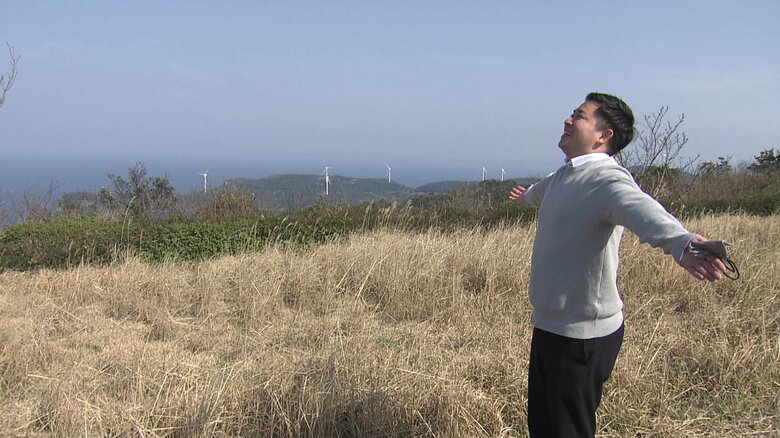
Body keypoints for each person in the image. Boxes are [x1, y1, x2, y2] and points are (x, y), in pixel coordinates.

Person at [508, 92, 727, 437]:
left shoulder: (607, 181)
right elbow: (538, 192)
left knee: (568, 431)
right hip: (549, 327)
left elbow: (643, 209)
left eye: (579, 116)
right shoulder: (563, 177)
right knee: (543, 427)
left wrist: (681, 242)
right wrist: (524, 196)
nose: (568, 120)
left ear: (603, 135)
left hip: (582, 337)